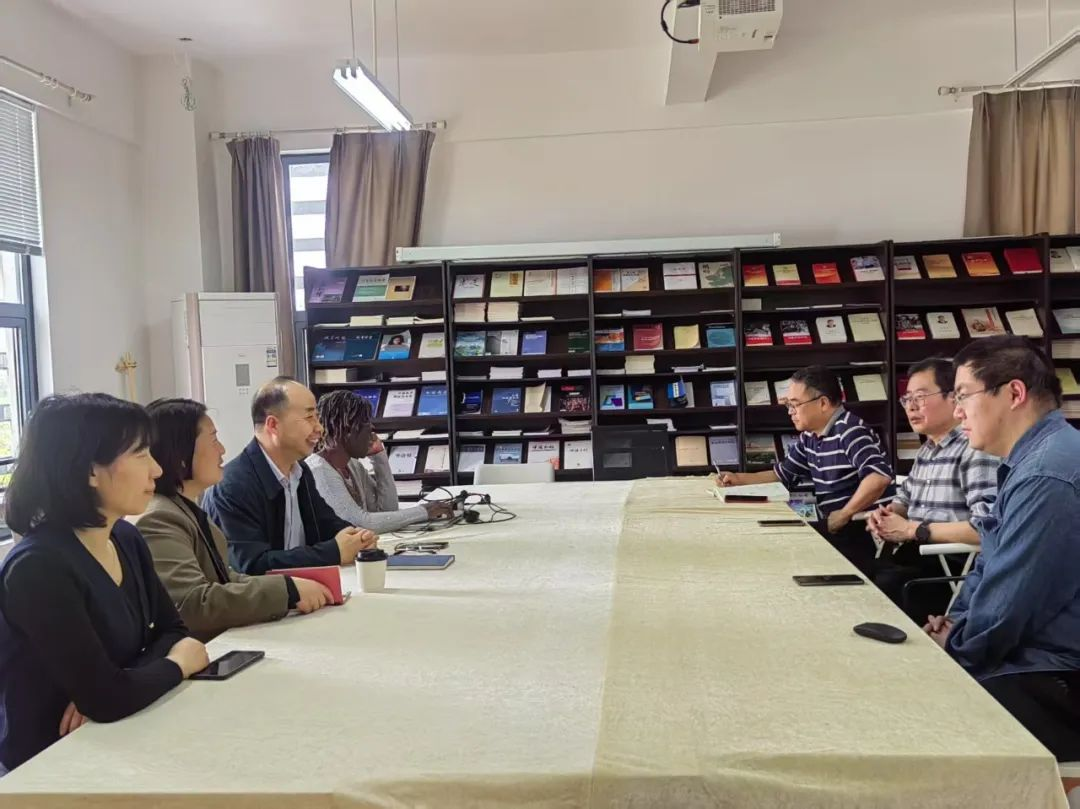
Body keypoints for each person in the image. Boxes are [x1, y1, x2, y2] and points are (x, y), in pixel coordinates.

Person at [0, 394, 208, 774]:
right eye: (141, 454)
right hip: (49, 766)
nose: (156, 470)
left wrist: (119, 684)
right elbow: (109, 697)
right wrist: (176, 664)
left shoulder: (125, 538)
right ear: (90, 471)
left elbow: (172, 631)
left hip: (120, 737)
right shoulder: (38, 567)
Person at [926, 336, 1080, 760]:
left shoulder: (1047, 474)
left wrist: (954, 647)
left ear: (1014, 393)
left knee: (920, 714)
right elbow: (990, 565)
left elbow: (1010, 604)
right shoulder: (1032, 461)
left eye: (962, 396)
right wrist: (956, 625)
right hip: (1033, 654)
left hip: (1057, 671)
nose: (956, 412)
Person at [134, 399, 334, 642]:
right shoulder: (160, 518)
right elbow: (191, 603)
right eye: (213, 440)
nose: (222, 450)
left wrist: (289, 586)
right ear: (181, 454)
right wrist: (287, 590)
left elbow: (226, 577)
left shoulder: (185, 509)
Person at [716, 365, 895, 572]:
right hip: (839, 525)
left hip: (863, 529)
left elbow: (878, 477)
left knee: (787, 551)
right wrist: (737, 479)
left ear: (823, 403)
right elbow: (782, 474)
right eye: (788, 405)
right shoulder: (810, 436)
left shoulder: (850, 430)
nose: (790, 412)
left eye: (795, 404)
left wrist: (844, 514)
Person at [202, 377, 378, 575]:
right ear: (273, 425)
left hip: (302, 588)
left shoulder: (300, 472)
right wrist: (334, 552)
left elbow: (327, 525)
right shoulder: (232, 487)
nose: (319, 428)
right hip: (271, 594)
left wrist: (358, 538)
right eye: (309, 417)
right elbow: (252, 565)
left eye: (317, 418)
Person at [867, 358, 999, 616]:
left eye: (921, 397)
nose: (911, 406)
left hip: (950, 566)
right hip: (914, 555)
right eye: (907, 399)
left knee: (871, 594)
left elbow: (986, 529)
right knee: (851, 576)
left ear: (953, 398)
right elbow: (903, 501)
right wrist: (884, 516)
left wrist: (913, 529)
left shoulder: (975, 449)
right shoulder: (927, 450)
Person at [307, 391, 454, 532]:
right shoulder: (319, 472)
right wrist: (423, 511)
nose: (372, 428)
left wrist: (379, 458)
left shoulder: (352, 466)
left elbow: (388, 510)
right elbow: (359, 523)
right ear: (347, 430)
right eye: (366, 421)